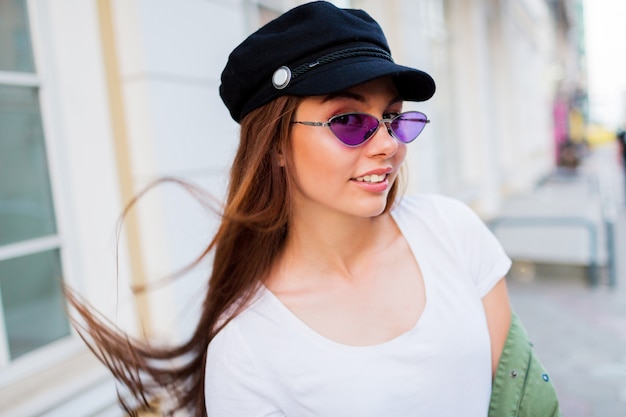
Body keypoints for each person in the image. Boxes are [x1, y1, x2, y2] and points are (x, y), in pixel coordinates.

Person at [67, 2, 560, 416]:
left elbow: (524, 401)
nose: (387, 143)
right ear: (276, 144)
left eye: (391, 117)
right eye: (348, 120)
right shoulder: (246, 350)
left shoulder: (453, 231)